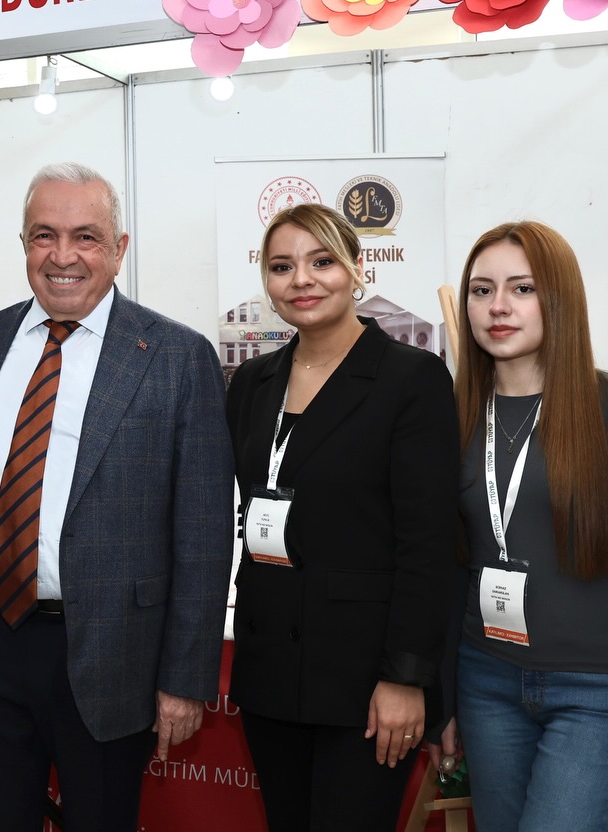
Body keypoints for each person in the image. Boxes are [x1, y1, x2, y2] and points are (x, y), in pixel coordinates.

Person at [0, 162, 235, 832]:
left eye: (86, 237)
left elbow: (205, 533)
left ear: (119, 248)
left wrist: (185, 678)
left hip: (113, 651)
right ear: (23, 244)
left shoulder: (176, 357)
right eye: (44, 235)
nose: (62, 256)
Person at [226, 203, 457, 830]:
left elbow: (428, 544)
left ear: (357, 268)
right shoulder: (252, 383)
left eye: (322, 261)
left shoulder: (411, 378)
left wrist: (407, 678)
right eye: (282, 267)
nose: (301, 279)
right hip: (270, 670)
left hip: (366, 682)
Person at [442, 221, 608, 832]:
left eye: (522, 288)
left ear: (559, 298)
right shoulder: (452, 414)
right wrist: (443, 695)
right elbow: (447, 563)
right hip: (485, 678)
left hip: (596, 690)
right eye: (481, 290)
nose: (498, 306)